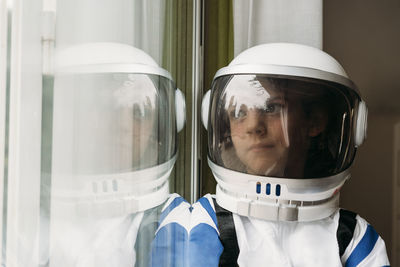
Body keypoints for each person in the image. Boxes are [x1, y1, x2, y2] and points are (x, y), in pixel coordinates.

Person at [199, 43, 390, 266]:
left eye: (272, 108)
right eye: (238, 113)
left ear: (315, 121)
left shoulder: (352, 237)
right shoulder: (206, 221)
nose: (253, 126)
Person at [44, 42, 187, 267]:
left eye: (139, 113)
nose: (123, 125)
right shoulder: (24, 217)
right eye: (106, 108)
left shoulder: (177, 224)